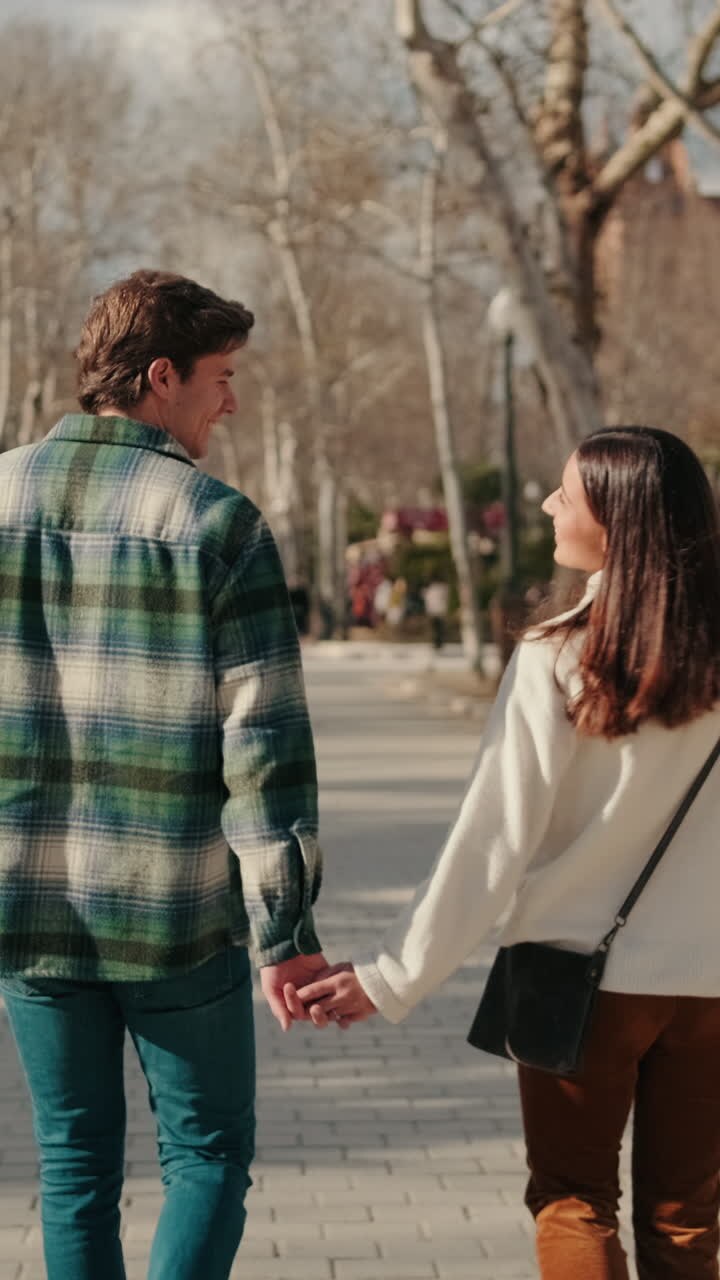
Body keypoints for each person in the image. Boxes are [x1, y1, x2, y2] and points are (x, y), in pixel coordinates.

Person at [288, 426, 720, 1280]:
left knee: (573, 1200)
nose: (551, 504)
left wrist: (390, 978)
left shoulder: (561, 653)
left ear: (619, 520)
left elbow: (493, 840)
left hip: (574, 977)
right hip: (710, 985)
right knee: (687, 1221)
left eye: (569, 493)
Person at [0, 269, 329, 1280]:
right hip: (176, 914)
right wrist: (284, 931)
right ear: (159, 377)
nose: (230, 399)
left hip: (28, 904)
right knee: (208, 1156)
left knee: (73, 1162)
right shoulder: (218, 522)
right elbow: (262, 747)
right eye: (221, 376)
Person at [422, 578, 450, 650]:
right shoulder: (442, 588)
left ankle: (438, 644)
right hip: (438, 611)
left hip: (435, 611)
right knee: (438, 629)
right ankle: (438, 644)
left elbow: (427, 599)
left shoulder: (432, 589)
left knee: (437, 629)